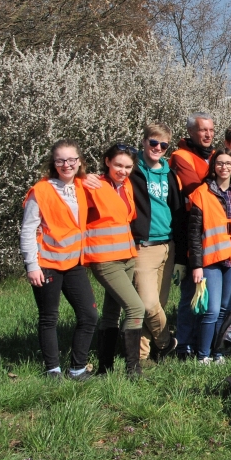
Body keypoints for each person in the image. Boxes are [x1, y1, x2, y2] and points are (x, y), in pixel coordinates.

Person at [20, 140, 99, 380]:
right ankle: (52, 369)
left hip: (74, 263)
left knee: (89, 315)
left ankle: (77, 368)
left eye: (71, 159)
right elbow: (27, 230)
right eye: (60, 160)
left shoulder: (81, 186)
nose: (66, 164)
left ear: (79, 161)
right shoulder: (40, 191)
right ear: (53, 163)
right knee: (49, 317)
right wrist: (32, 265)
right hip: (47, 263)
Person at [84, 144, 144, 377]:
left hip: (127, 257)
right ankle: (133, 370)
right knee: (136, 307)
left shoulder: (125, 186)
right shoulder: (93, 185)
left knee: (112, 311)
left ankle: (105, 368)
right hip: (105, 259)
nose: (123, 170)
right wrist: (82, 176)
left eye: (128, 166)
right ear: (107, 161)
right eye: (118, 165)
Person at [185, 149, 231, 362]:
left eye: (228, 163)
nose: (224, 167)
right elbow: (193, 232)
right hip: (210, 258)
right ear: (214, 166)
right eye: (220, 163)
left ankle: (218, 352)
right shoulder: (202, 193)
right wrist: (196, 265)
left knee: (225, 309)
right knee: (211, 310)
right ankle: (203, 354)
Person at [129, 123, 184, 363]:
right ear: (144, 142)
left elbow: (177, 209)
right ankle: (167, 342)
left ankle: (143, 355)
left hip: (167, 244)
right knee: (147, 303)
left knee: (158, 304)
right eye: (154, 143)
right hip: (143, 245)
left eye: (163, 145)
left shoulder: (169, 172)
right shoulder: (133, 168)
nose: (158, 148)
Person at [171, 112, 215, 197]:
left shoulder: (215, 155)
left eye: (211, 130)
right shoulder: (181, 156)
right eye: (203, 130)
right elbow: (195, 191)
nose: (208, 135)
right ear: (190, 131)